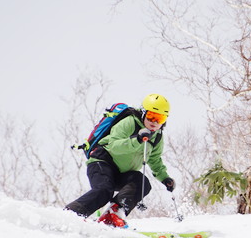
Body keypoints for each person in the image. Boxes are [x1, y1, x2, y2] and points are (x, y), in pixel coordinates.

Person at [65, 93, 176, 228]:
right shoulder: (129, 122)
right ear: (143, 112)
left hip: (122, 173)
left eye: (160, 118)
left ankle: (113, 215)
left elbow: (154, 159)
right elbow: (113, 146)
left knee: (142, 183)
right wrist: (137, 140)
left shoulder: (157, 137)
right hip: (102, 162)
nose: (155, 122)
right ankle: (69, 216)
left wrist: (164, 178)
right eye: (151, 116)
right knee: (104, 190)